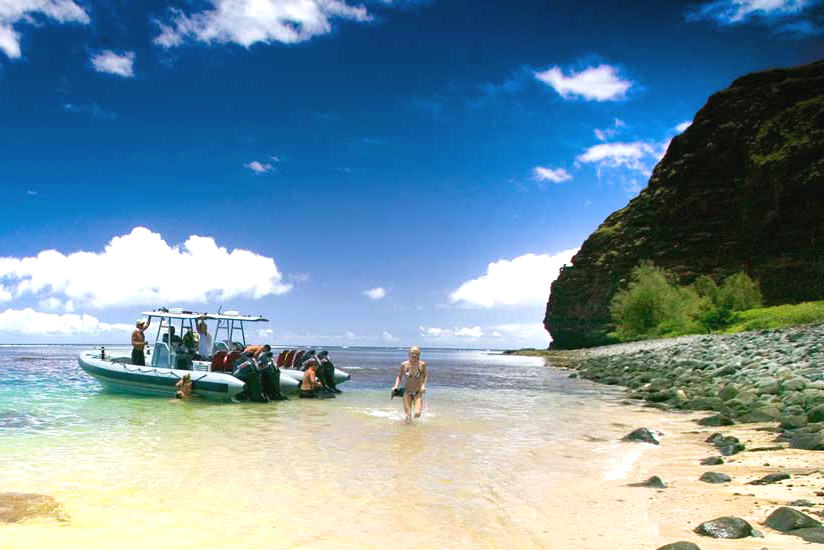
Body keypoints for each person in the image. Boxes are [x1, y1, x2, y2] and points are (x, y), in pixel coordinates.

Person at [393, 346, 427, 422]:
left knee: (418, 413)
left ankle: (416, 429)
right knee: (408, 416)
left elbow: (425, 376)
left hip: (417, 392)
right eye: (412, 353)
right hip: (407, 392)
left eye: (416, 353)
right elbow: (399, 376)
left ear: (419, 354)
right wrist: (396, 386)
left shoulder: (422, 364)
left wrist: (423, 386)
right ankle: (408, 431)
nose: (414, 355)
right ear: (409, 354)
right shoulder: (404, 364)